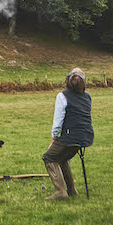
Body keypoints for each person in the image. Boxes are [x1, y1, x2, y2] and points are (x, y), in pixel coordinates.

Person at [41, 67, 94, 201]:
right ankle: (71, 190)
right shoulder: (87, 96)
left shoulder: (62, 96)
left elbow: (58, 121)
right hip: (85, 136)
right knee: (62, 158)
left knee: (49, 157)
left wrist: (54, 137)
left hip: (69, 136)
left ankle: (60, 191)